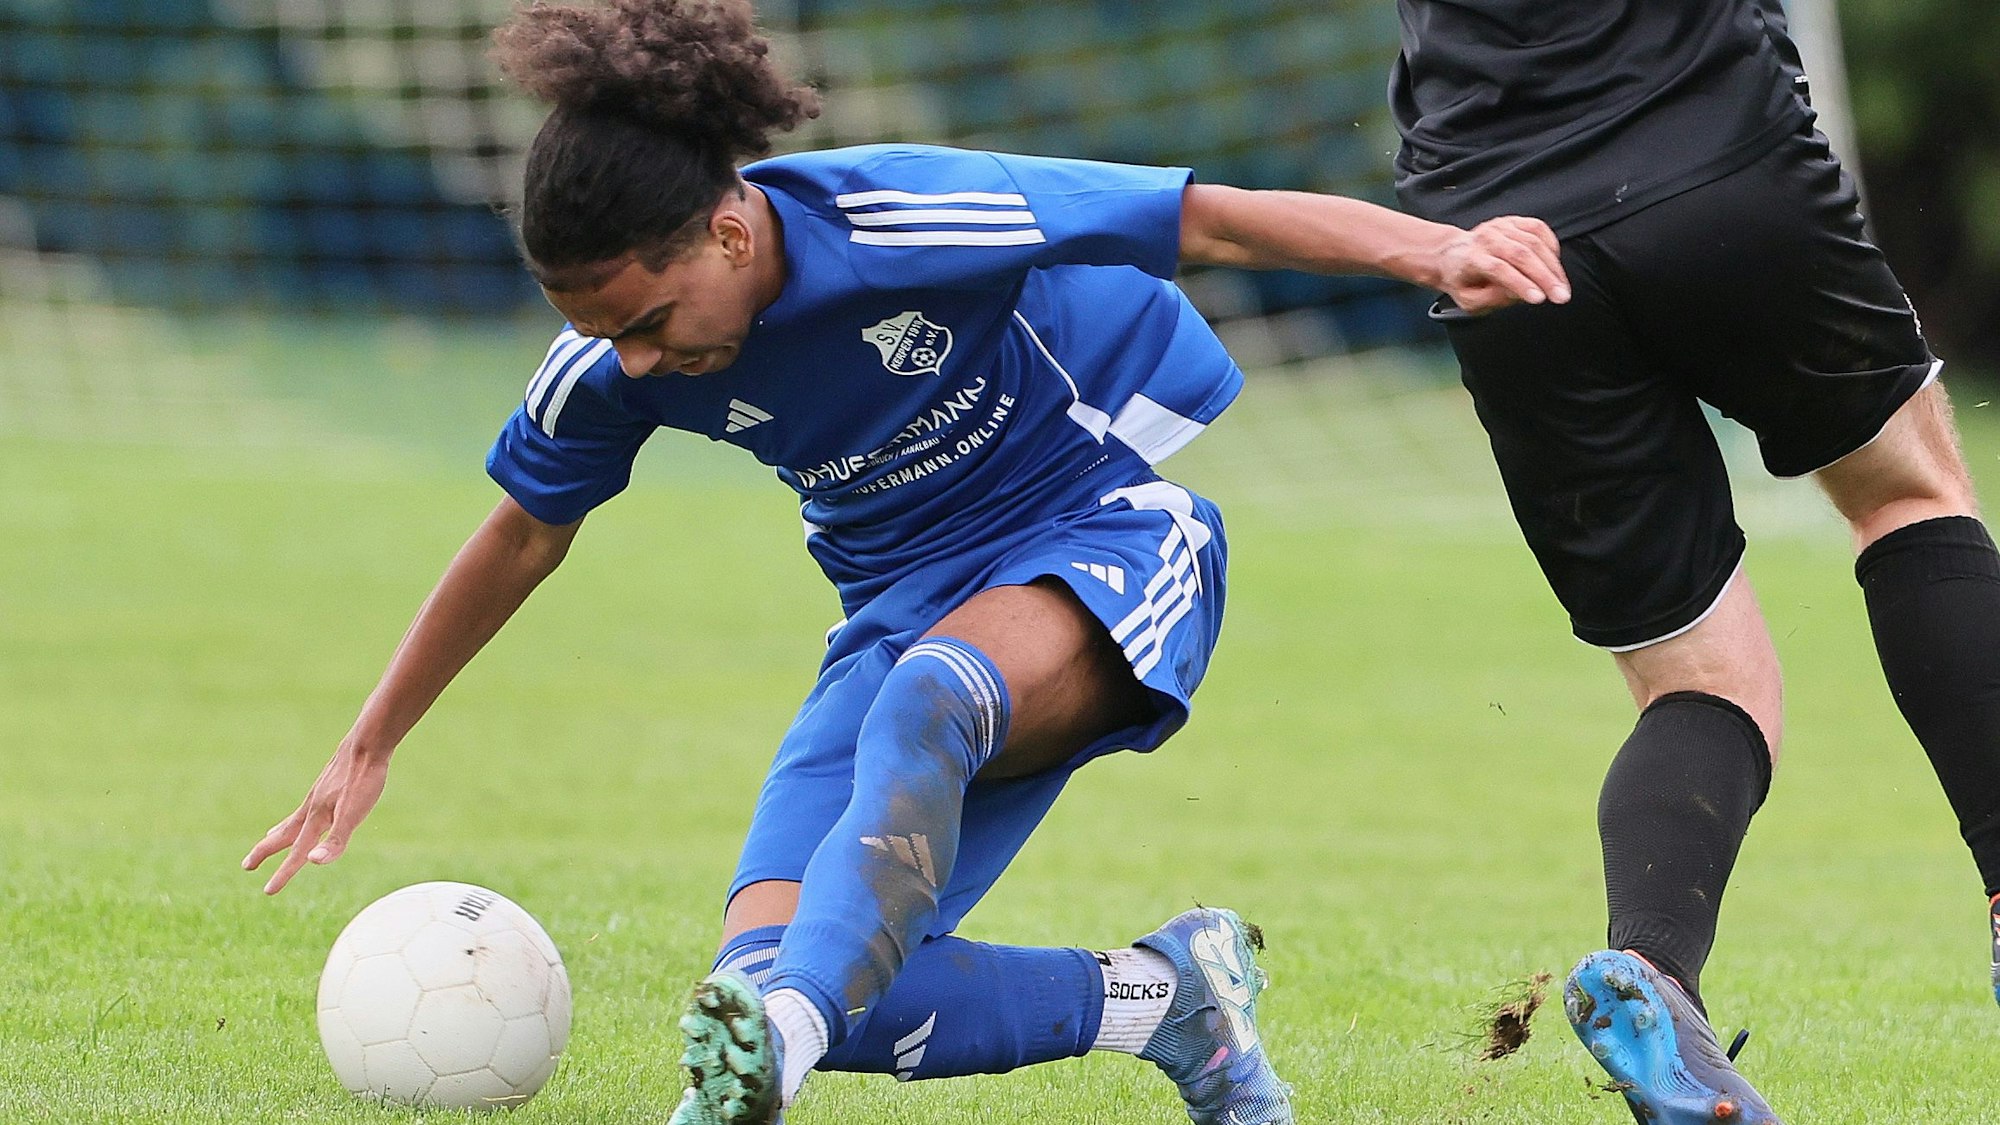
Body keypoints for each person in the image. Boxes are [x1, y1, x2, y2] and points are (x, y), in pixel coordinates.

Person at [241, 2, 1562, 1122]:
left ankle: (774, 1050)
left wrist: (1438, 248)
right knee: (819, 972)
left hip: (1098, 538)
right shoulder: (608, 367)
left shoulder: (900, 219)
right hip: (896, 617)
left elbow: (1204, 220)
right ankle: (1169, 997)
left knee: (913, 736)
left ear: (729, 230)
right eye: (601, 333)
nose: (633, 361)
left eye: (647, 319)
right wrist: (372, 737)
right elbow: (523, 531)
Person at [1391, 1, 2000, 1121]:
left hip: (1496, 230)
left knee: (1697, 681)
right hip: (1718, 158)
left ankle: (1655, 977)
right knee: (1906, 495)